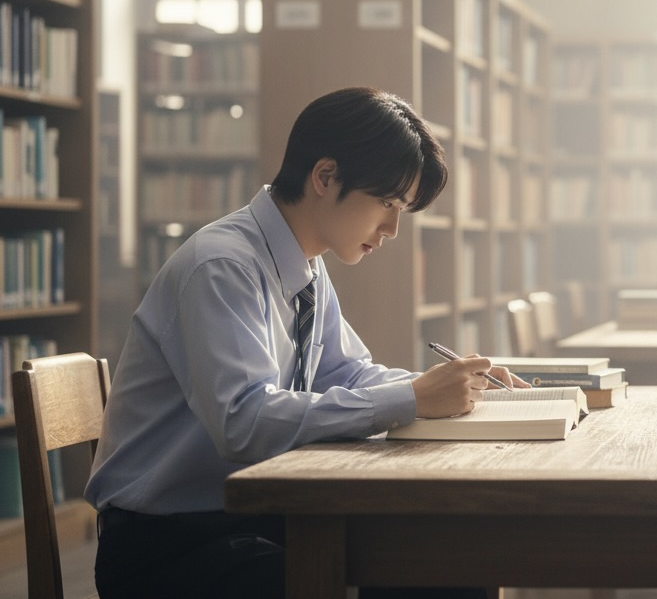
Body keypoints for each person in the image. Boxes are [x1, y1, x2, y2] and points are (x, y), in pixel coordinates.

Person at [86, 87, 524, 599]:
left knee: (447, 564)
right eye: (386, 202)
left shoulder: (305, 266)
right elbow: (243, 423)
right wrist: (412, 399)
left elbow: (348, 373)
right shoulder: (222, 266)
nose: (392, 228)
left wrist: (444, 387)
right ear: (325, 176)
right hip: (168, 545)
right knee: (424, 577)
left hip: (250, 519)